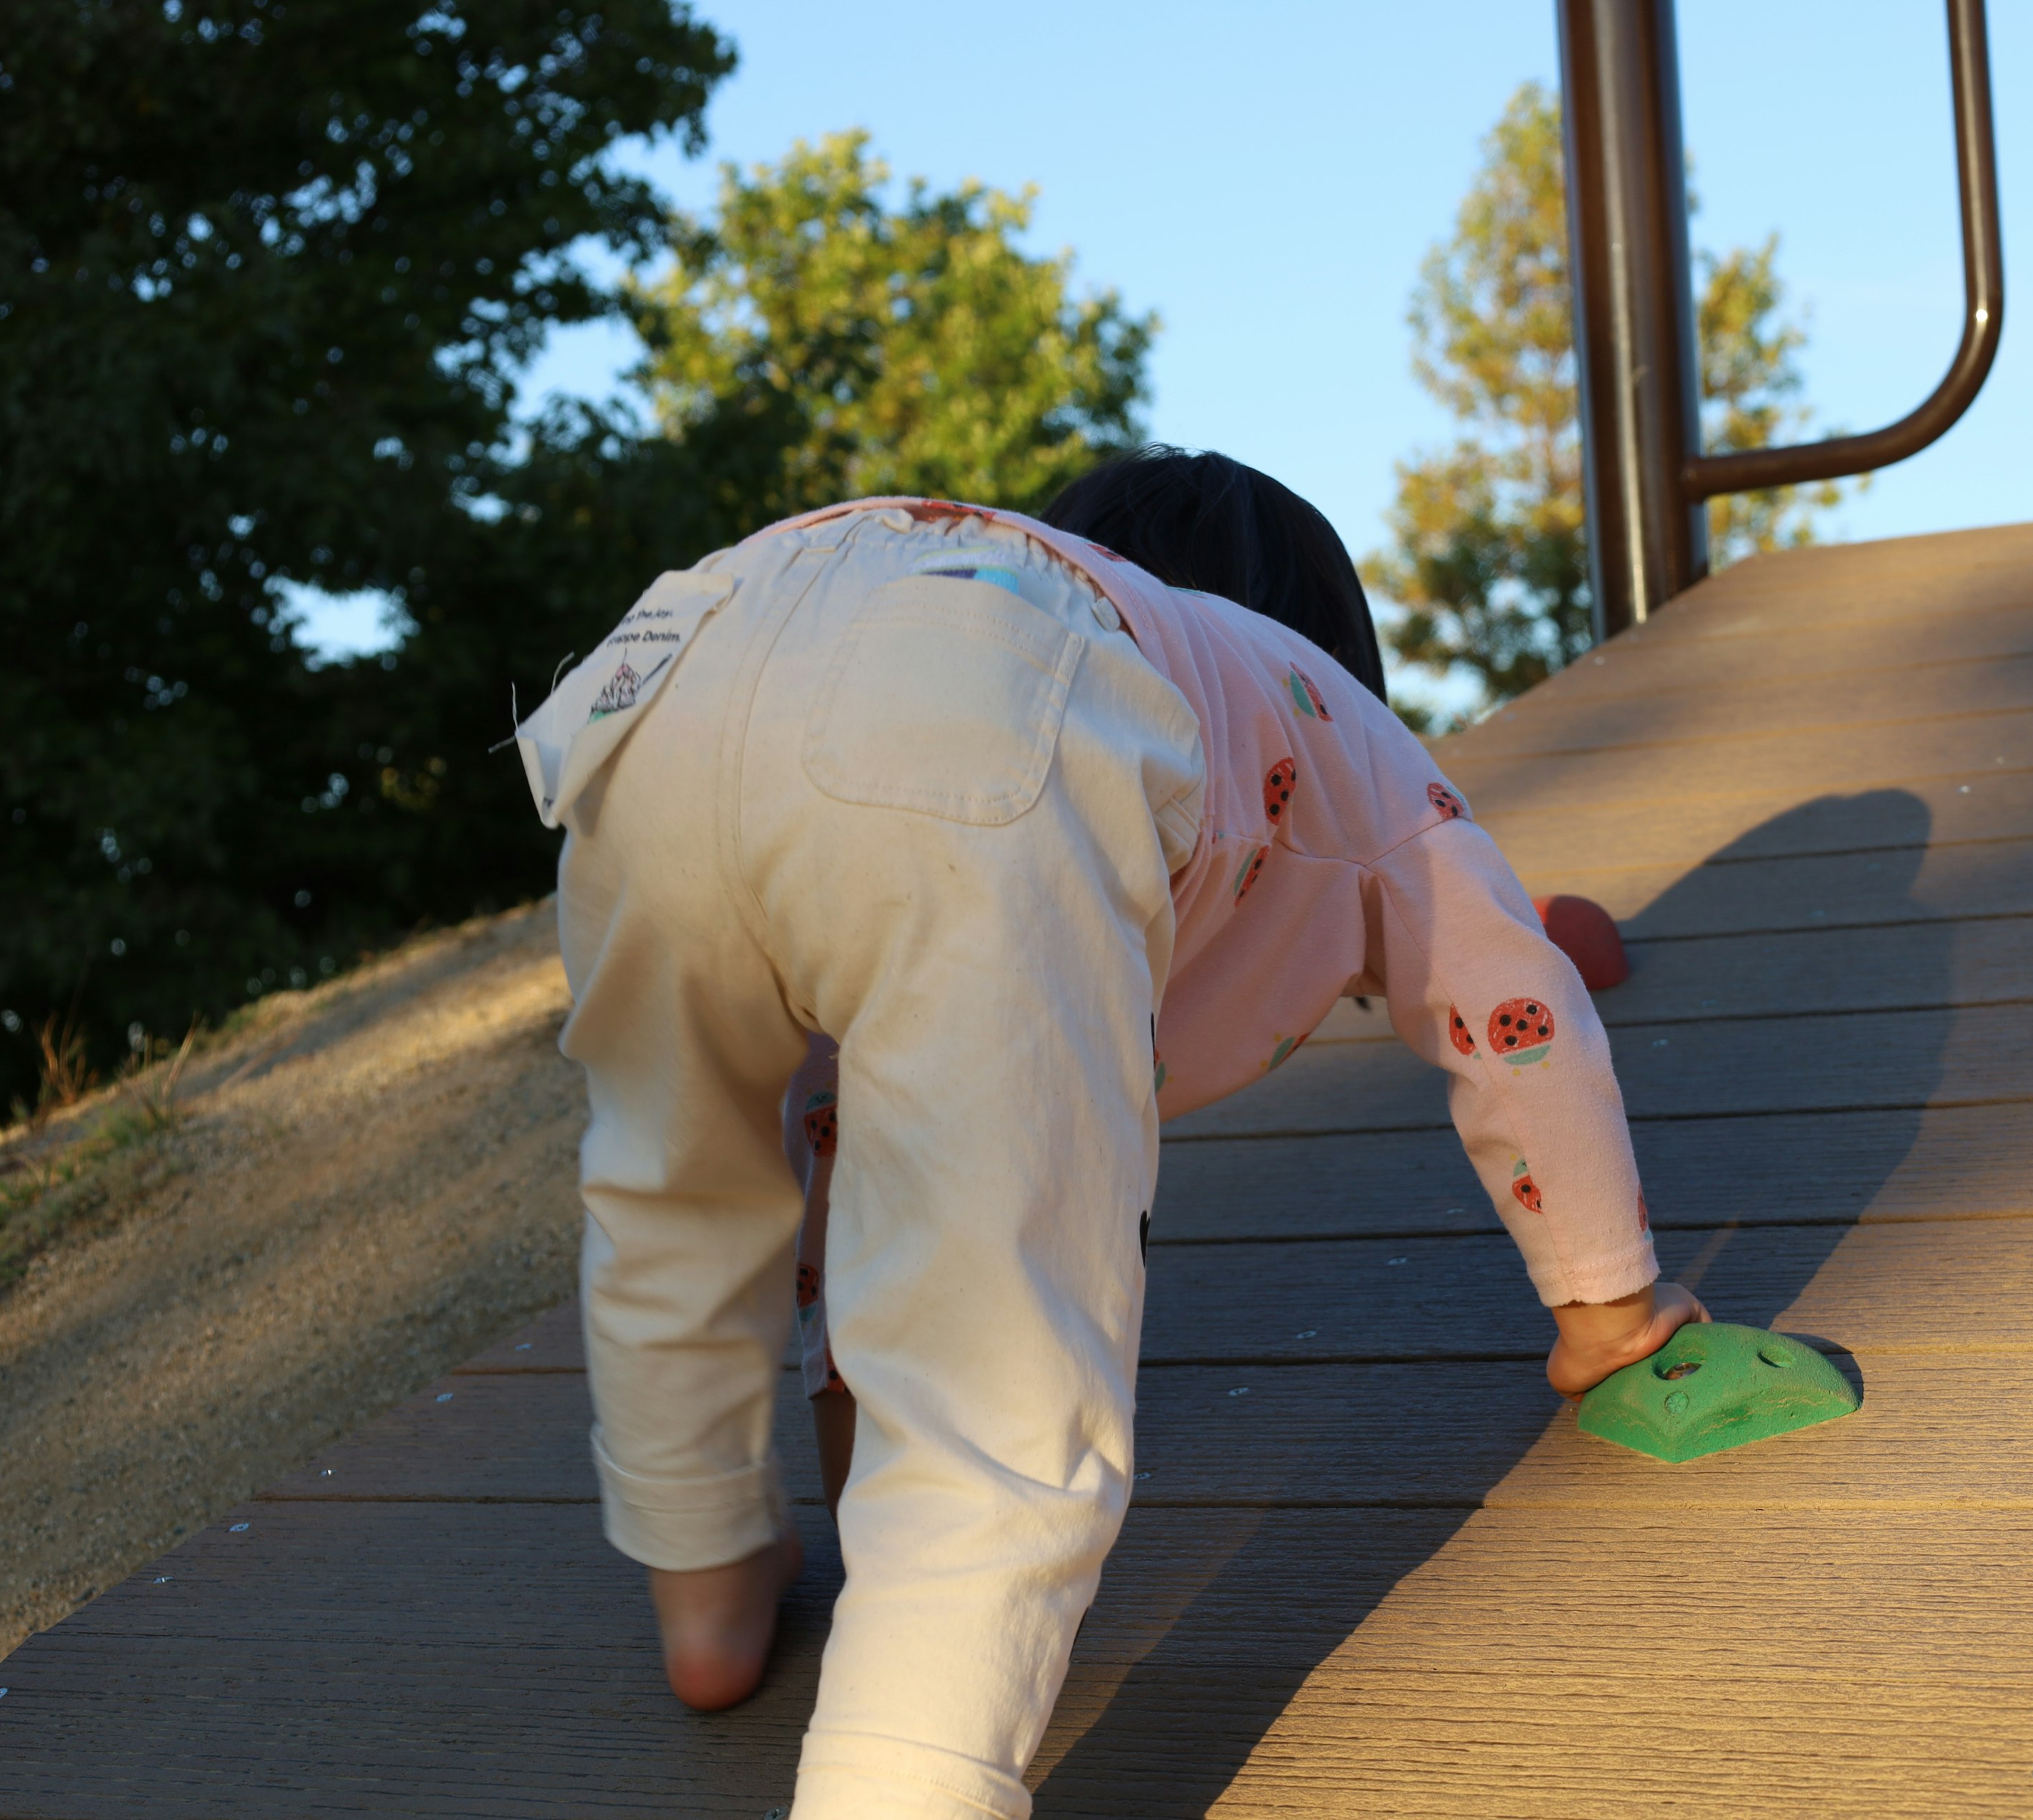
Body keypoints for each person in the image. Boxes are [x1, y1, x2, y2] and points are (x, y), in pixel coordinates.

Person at [517, 446, 1707, 1820]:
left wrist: (854, 1448)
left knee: (675, 1181)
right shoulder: (1315, 713)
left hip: (677, 666)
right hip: (961, 707)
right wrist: (1607, 1309)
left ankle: (708, 1579)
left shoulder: (1025, 579)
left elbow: (863, 1124)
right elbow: (1515, 996)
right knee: (1004, 1398)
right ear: (1331, 642)